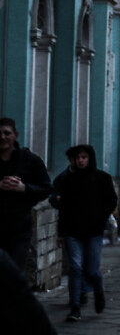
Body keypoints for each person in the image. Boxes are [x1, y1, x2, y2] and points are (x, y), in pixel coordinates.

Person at [50, 144, 117, 322]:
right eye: (77, 158)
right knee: (76, 267)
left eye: (84, 157)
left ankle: (98, 289)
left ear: (90, 158)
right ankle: (75, 306)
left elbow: (111, 201)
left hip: (93, 231)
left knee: (92, 269)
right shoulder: (66, 180)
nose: (80, 161)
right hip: (72, 230)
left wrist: (100, 218)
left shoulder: (102, 178)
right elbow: (61, 206)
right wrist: (61, 232)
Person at [0, 117, 52, 272]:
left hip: (19, 227)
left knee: (15, 271)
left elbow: (46, 188)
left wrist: (24, 188)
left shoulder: (30, 160)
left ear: (15, 135)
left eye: (6, 133)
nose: (2, 137)